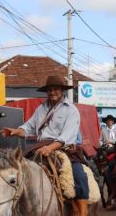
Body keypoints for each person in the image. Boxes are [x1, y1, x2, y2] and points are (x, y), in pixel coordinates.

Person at [5, 75, 89, 216]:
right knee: (17, 170)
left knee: (80, 177)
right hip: (39, 148)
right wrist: (15, 131)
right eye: (49, 90)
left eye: (56, 89)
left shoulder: (71, 110)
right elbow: (29, 127)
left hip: (64, 150)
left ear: (62, 90)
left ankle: (82, 212)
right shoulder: (41, 109)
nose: (52, 92)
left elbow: (67, 136)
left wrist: (50, 147)